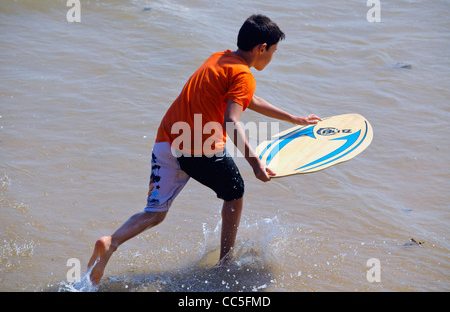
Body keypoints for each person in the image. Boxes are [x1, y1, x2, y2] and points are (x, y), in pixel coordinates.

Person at [87, 14, 321, 286]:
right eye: (273, 51)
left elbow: (248, 98)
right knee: (235, 193)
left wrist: (293, 118)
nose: (272, 57)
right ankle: (225, 263)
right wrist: (255, 164)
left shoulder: (219, 58)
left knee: (155, 213)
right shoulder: (244, 76)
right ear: (261, 48)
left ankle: (111, 242)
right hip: (199, 148)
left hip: (167, 141)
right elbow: (231, 121)